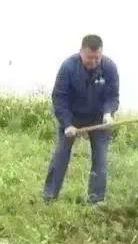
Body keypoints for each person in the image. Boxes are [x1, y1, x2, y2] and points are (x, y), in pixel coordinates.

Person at [43, 34, 121, 204]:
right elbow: (59, 98)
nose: (93, 61)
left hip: (99, 119)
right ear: (81, 53)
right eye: (89, 58)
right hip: (72, 118)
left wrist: (108, 113)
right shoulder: (68, 67)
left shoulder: (109, 67)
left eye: (97, 57)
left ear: (101, 53)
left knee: (100, 158)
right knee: (61, 154)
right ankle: (49, 196)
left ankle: (96, 201)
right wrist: (67, 124)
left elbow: (113, 96)